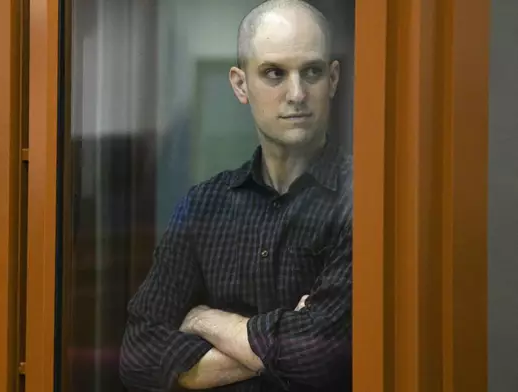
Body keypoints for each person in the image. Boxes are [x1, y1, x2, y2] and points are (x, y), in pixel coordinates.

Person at [120, 0, 353, 391]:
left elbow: (319, 358)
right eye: (274, 73)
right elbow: (138, 356)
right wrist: (280, 342)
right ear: (240, 84)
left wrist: (204, 321)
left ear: (332, 79)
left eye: (311, 72)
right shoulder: (204, 205)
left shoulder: (364, 198)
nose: (296, 94)